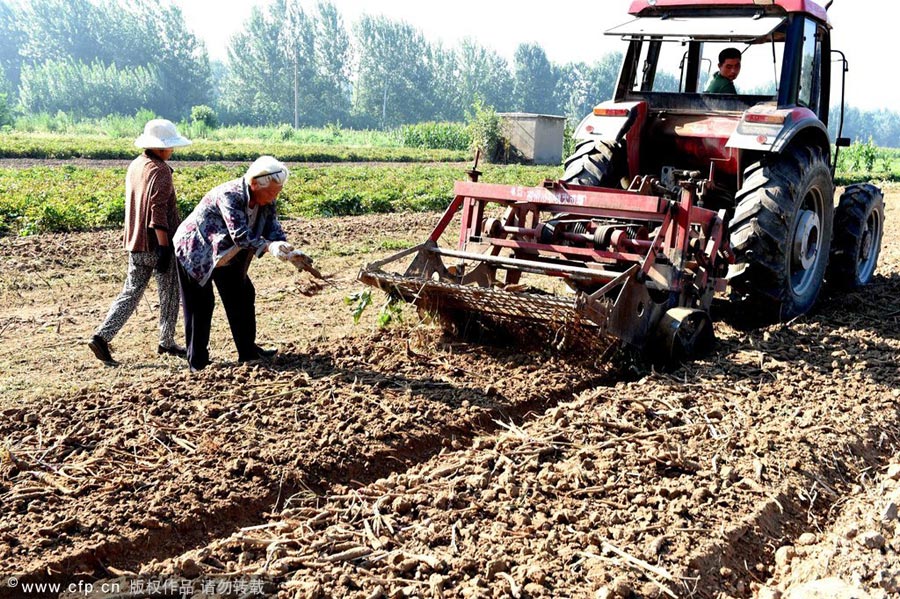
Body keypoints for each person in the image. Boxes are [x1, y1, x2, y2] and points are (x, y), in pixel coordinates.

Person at [173, 155, 311, 372]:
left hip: (227, 253)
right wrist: (268, 247)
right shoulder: (231, 195)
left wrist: (287, 249)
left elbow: (272, 228)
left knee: (242, 295)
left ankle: (247, 351)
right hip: (197, 250)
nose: (277, 194)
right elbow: (240, 235)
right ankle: (197, 362)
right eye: (274, 190)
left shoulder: (266, 199)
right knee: (201, 304)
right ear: (255, 183)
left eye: (279, 189)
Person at [88, 119, 191, 366]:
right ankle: (166, 341)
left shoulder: (136, 165)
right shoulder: (161, 171)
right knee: (169, 291)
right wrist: (165, 247)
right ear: (160, 147)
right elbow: (157, 213)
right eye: (170, 146)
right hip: (157, 244)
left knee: (131, 292)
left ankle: (102, 336)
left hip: (136, 243)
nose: (172, 151)